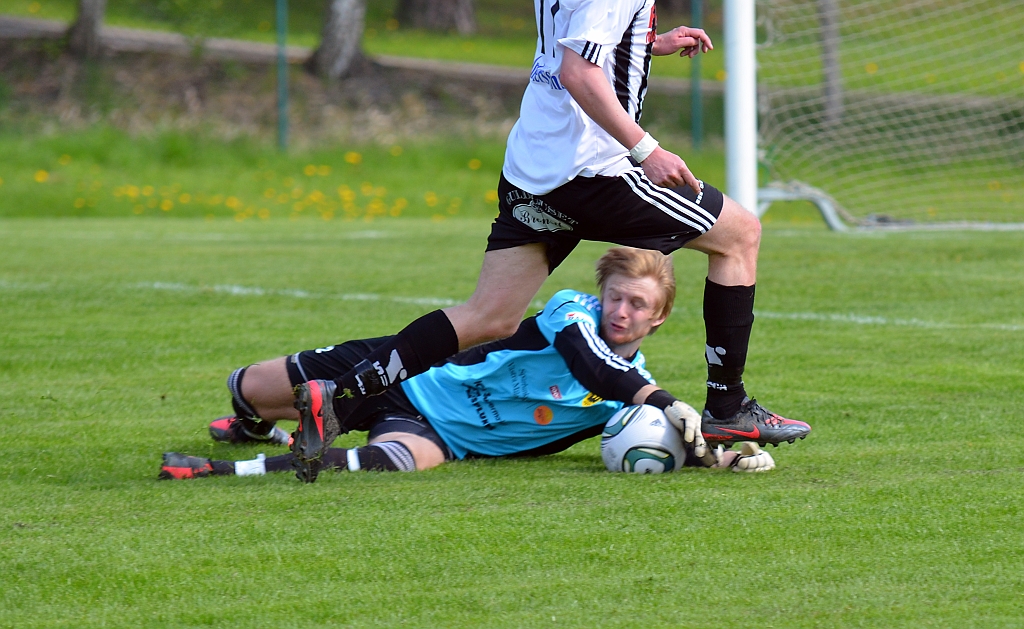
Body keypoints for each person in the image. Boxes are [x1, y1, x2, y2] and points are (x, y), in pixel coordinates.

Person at [278, 0, 795, 479]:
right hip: (590, 170)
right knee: (739, 234)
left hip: (533, 165)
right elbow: (577, 72)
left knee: (489, 317)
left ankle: (341, 398)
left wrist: (644, 43)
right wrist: (646, 149)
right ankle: (728, 408)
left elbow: (570, 41)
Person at [160, 248, 806, 481]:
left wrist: (724, 456)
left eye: (638, 306)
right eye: (617, 297)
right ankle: (253, 423)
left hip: (438, 432)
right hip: (404, 372)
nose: (622, 312)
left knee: (400, 464)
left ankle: (229, 469)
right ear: (601, 293)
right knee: (248, 386)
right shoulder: (570, 312)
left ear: (659, 317)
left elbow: (659, 435)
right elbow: (594, 367)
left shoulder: (626, 403)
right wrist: (663, 400)